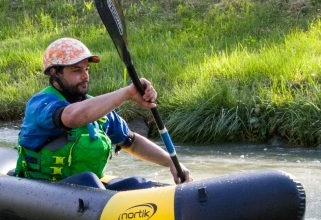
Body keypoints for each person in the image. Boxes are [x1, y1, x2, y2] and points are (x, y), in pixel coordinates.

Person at [16, 37, 192, 189]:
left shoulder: (97, 108)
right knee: (88, 180)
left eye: (86, 69)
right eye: (76, 70)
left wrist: (170, 161)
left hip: (88, 192)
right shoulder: (40, 103)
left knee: (139, 184)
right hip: (43, 189)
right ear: (55, 73)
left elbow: (132, 142)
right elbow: (70, 117)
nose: (85, 76)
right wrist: (127, 93)